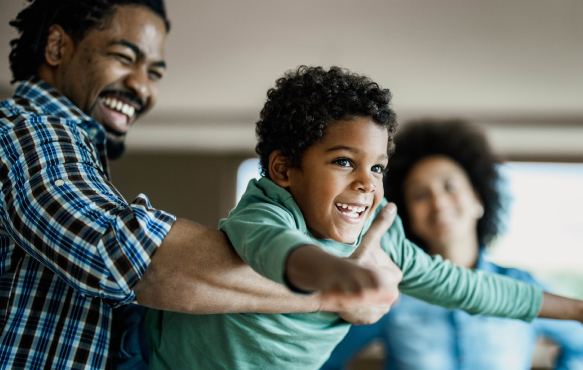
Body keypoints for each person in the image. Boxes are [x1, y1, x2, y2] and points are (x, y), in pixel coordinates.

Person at [0, 2, 403, 369]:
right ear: (56, 47)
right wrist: (339, 290)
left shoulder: (68, 148)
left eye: (154, 73)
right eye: (125, 57)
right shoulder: (28, 131)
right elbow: (123, 254)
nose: (142, 88)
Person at [145, 66, 583, 370]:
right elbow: (280, 252)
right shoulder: (265, 210)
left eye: (376, 168)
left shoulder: (380, 243)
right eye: (342, 162)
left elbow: (468, 288)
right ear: (284, 170)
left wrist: (577, 310)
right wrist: (335, 273)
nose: (366, 183)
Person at [322, 120, 583, 370]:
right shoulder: (391, 291)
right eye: (420, 194)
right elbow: (325, 359)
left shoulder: (522, 285)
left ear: (478, 198)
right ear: (407, 214)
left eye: (450, 186)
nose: (438, 202)